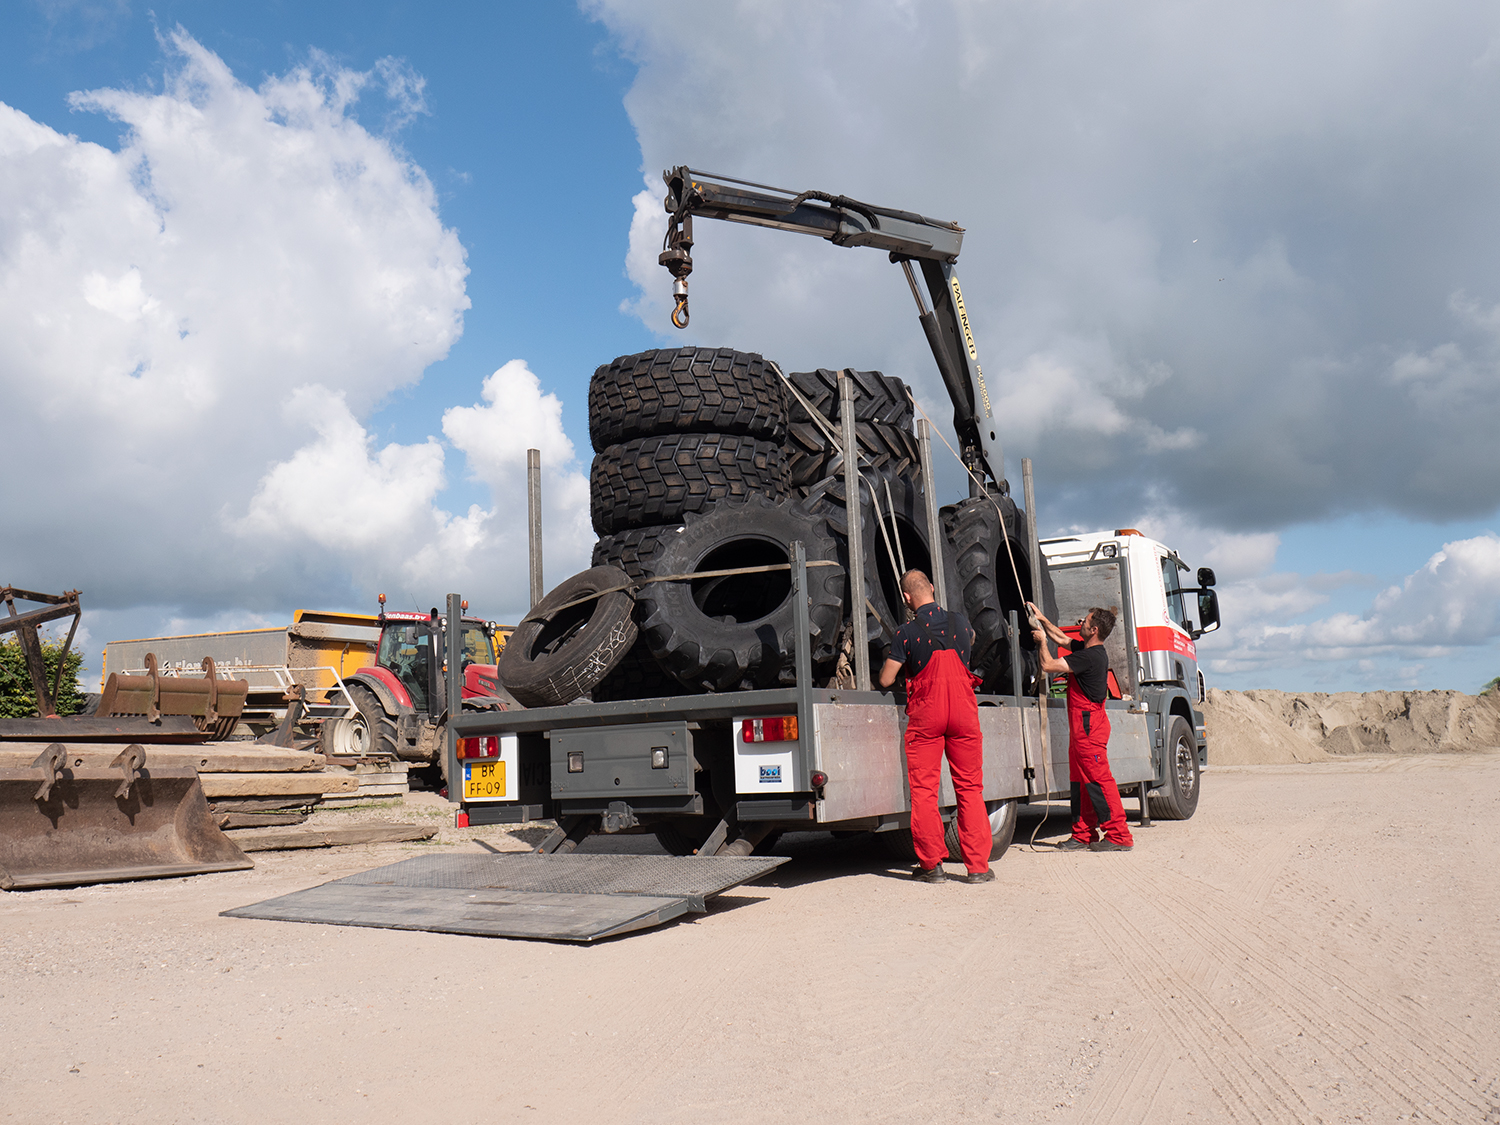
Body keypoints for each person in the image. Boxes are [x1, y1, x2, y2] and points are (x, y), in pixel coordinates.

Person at [877, 569, 994, 884]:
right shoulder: (959, 622)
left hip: (928, 716)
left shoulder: (906, 632)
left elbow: (887, 679)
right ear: (931, 588)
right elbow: (968, 642)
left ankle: (932, 866)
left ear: (906, 598)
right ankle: (978, 867)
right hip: (963, 713)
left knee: (925, 792)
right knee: (970, 788)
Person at [1029, 604, 1135, 852]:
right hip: (1081, 728)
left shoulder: (1090, 657)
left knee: (1098, 780)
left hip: (1089, 727)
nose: (1080, 624)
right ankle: (1083, 834)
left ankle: (1119, 835)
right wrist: (1042, 619)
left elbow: (1048, 665)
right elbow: (1063, 638)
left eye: (1084, 622)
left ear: (1094, 629)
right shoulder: (1087, 649)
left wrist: (1041, 642)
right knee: (1080, 781)